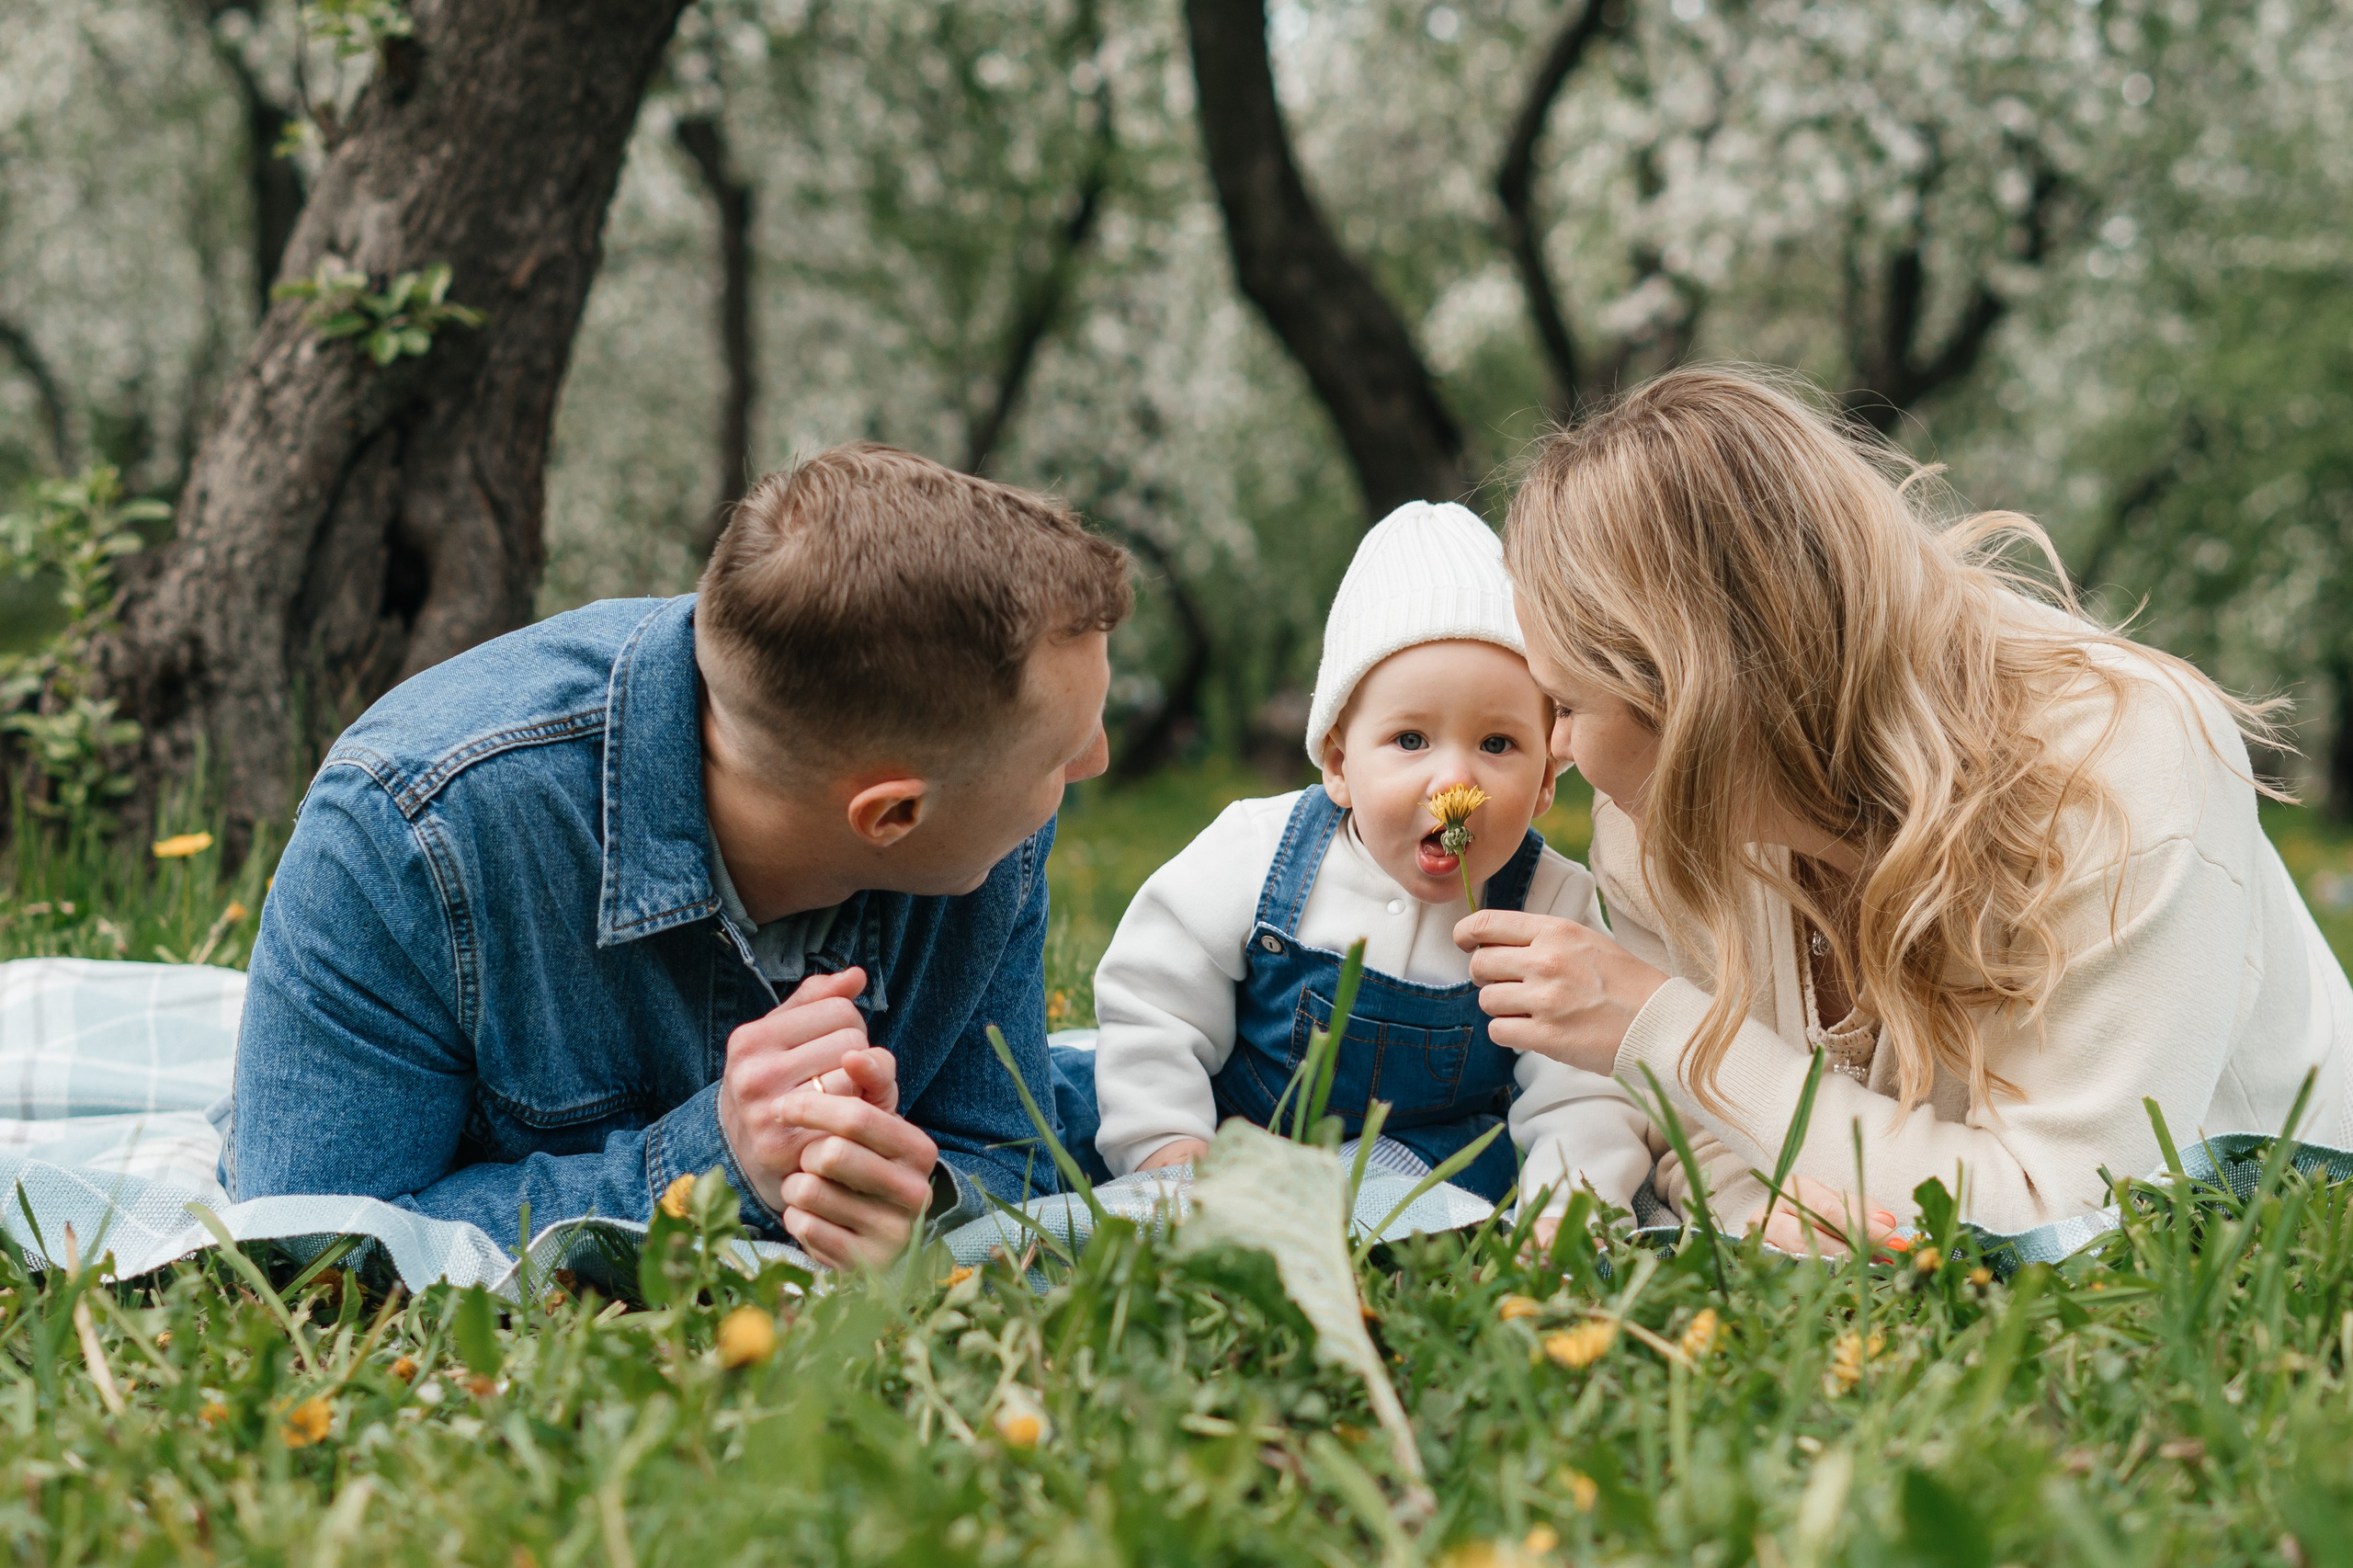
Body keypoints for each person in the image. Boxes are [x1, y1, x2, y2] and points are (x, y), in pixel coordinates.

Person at [1462, 367, 2353, 1249]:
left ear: (1694, 694)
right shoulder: (1652, 816)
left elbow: (2071, 1216)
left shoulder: (2123, 764)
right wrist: (1752, 1224)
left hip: (2259, 1250)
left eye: (1568, 706)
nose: (1561, 753)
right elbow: (1713, 1138)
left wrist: (1659, 1024)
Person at [232, 444, 1131, 1269]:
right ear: (890, 812)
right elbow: (313, 1237)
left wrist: (907, 1204)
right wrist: (714, 1166)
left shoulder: (975, 817)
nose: (1094, 761)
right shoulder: (411, 828)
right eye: (1062, 755)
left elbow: (1006, 1151)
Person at [1075, 502, 1656, 1211]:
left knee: (1457, 1178)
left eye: (1497, 745)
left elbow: (1583, 1088)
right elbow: (1156, 999)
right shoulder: (1257, 853)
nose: (1454, 783)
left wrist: (1568, 1210)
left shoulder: (1550, 905)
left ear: (1544, 781)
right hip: (1233, 1143)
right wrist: (1169, 1148)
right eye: (1411, 740)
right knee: (1068, 1101)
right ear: (1340, 762)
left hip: (1427, 1168)